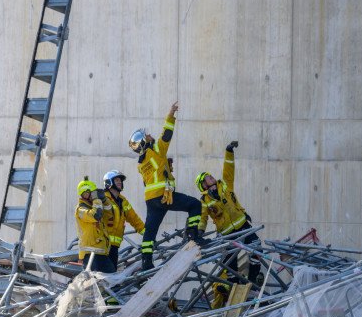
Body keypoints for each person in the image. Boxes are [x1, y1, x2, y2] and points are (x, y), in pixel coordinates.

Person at [129, 101, 203, 270]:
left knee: (150, 231)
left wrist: (166, 167)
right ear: (144, 142)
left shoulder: (141, 162)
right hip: (164, 195)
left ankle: (146, 261)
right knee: (195, 205)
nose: (150, 136)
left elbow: (153, 175)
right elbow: (166, 135)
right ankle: (193, 235)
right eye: (146, 136)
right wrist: (171, 115)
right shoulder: (156, 150)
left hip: (151, 200)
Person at [195, 140, 262, 285]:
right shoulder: (204, 201)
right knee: (229, 261)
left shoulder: (225, 185)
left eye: (210, 175)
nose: (211, 176)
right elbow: (203, 218)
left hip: (243, 225)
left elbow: (228, 169)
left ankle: (254, 279)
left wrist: (229, 151)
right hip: (227, 233)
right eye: (208, 177)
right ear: (204, 184)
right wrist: (200, 231)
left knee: (256, 247)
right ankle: (234, 285)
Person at [102, 170, 145, 269]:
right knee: (105, 274)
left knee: (112, 273)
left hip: (114, 246)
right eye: (116, 180)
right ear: (108, 183)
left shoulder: (123, 201)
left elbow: (134, 219)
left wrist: (147, 234)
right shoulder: (103, 199)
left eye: (120, 180)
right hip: (103, 245)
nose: (120, 182)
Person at [75, 176, 116, 273]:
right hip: (90, 254)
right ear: (84, 194)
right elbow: (96, 215)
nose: (94, 195)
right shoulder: (80, 209)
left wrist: (104, 200)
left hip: (100, 252)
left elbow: (110, 214)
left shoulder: (94, 205)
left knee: (111, 279)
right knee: (93, 284)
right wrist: (96, 199)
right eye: (91, 193)